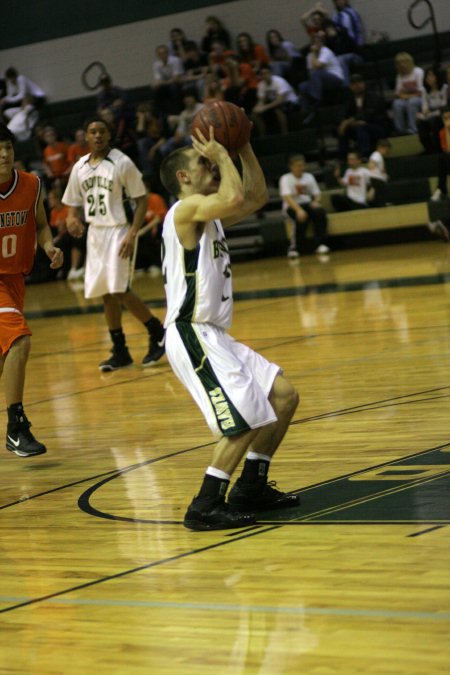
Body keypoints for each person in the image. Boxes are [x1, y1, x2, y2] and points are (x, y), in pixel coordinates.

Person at [159, 126, 300, 530]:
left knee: (283, 398)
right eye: (201, 163)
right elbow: (235, 195)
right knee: (241, 420)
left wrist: (244, 147)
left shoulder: (211, 212)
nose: (211, 163)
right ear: (183, 178)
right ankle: (203, 506)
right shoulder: (185, 210)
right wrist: (223, 154)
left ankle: (251, 486)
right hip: (191, 332)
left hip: (214, 334)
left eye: (211, 159)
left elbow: (255, 197)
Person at [62, 117, 165, 371]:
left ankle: (157, 332)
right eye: (92, 131)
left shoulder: (122, 162)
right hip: (96, 233)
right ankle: (120, 350)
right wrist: (71, 218)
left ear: (109, 136)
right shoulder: (80, 167)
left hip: (119, 230)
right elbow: (72, 202)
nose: (97, 136)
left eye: (102, 132)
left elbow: (141, 200)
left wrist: (132, 233)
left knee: (119, 289)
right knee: (106, 292)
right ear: (86, 137)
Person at [0, 123, 63, 457]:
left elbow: (40, 224)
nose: (4, 153)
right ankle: (16, 427)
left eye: (7, 146)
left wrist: (50, 246)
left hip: (15, 280)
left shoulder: (31, 184)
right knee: (20, 339)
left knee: (4, 357)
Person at [279, 154, 330, 257]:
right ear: (291, 167)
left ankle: (320, 244)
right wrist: (298, 210)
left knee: (319, 212)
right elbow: (287, 197)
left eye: (302, 165)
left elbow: (317, 193)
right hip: (291, 206)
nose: (301, 168)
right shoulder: (285, 178)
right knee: (299, 219)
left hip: (306, 203)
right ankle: (294, 248)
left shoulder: (309, 177)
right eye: (298, 165)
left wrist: (316, 201)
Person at [337, 73, 388, 160]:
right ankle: (342, 158)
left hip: (377, 126)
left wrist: (349, 121)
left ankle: (364, 155)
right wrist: (347, 123)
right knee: (344, 129)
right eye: (354, 84)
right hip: (358, 127)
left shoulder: (373, 96)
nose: (357, 86)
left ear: (363, 84)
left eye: (359, 83)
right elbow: (343, 114)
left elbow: (369, 113)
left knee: (360, 127)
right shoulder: (350, 100)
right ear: (350, 86)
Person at [252, 65, 299, 136]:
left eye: (266, 73)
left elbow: (280, 100)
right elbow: (262, 99)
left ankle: (285, 134)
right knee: (255, 114)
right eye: (263, 74)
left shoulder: (280, 81)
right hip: (273, 103)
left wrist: (264, 108)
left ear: (270, 73)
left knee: (278, 110)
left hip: (290, 102)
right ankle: (263, 136)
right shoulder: (261, 85)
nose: (265, 75)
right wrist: (258, 107)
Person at [417, 66, 447, 154]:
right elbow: (425, 108)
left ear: (437, 76)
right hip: (431, 115)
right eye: (427, 76)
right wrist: (423, 114)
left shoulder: (444, 88)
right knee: (420, 122)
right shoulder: (424, 90)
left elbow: (443, 106)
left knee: (434, 121)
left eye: (431, 75)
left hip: (442, 115)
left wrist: (429, 113)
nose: (429, 78)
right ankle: (429, 149)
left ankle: (438, 149)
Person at [392, 53, 424, 135]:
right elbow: (398, 93)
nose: (402, 65)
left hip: (420, 98)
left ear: (409, 62)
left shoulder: (418, 72)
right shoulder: (400, 76)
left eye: (404, 62)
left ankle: (413, 129)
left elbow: (420, 91)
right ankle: (400, 130)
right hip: (407, 98)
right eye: (399, 63)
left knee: (412, 102)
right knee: (397, 104)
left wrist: (406, 95)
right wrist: (405, 95)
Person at [431, 106, 450, 202]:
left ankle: (441, 189)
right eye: (445, 118)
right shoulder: (442, 132)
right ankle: (442, 189)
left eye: (449, 117)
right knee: (443, 158)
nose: (448, 121)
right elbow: (448, 150)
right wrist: (447, 130)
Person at [367, 139, 391, 206]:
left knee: (380, 194)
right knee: (380, 195)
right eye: (386, 150)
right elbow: (371, 164)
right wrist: (372, 169)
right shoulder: (376, 154)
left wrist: (385, 174)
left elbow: (381, 169)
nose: (387, 152)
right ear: (380, 147)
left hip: (378, 180)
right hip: (376, 179)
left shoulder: (379, 156)